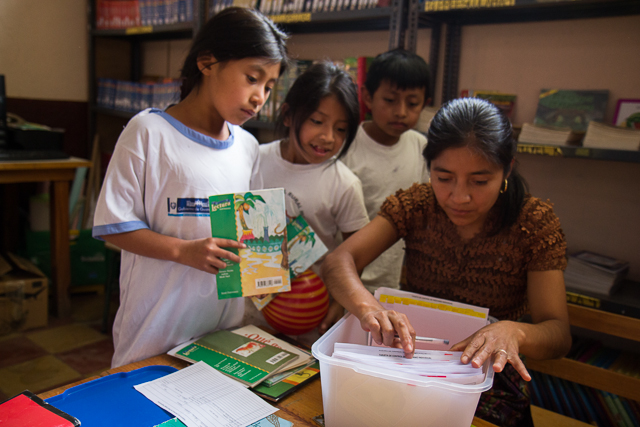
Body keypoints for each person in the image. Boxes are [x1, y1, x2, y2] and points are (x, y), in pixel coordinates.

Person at [320, 97, 571, 426]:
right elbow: (338, 261)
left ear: (507, 168)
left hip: (484, 385)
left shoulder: (533, 222)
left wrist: (514, 332)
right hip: (412, 372)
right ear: (429, 168)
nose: (459, 196)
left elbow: (558, 334)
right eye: (443, 177)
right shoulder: (417, 205)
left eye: (479, 181)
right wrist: (369, 309)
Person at [92, 7, 288, 368]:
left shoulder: (247, 147)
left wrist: (271, 256)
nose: (260, 96)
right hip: (154, 335)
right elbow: (114, 227)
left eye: (269, 86)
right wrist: (184, 251)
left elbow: (252, 236)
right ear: (207, 62)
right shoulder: (148, 132)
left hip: (220, 336)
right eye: (252, 78)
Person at [253, 61, 370, 339]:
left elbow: (359, 252)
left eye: (341, 129)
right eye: (316, 121)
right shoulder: (253, 159)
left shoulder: (344, 184)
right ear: (287, 115)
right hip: (250, 313)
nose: (328, 137)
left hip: (309, 321)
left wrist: (340, 302)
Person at [341, 48, 431, 295]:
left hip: (390, 284)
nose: (401, 111)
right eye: (390, 101)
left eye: (412, 103)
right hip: (345, 280)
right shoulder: (346, 145)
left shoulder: (422, 148)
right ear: (368, 98)